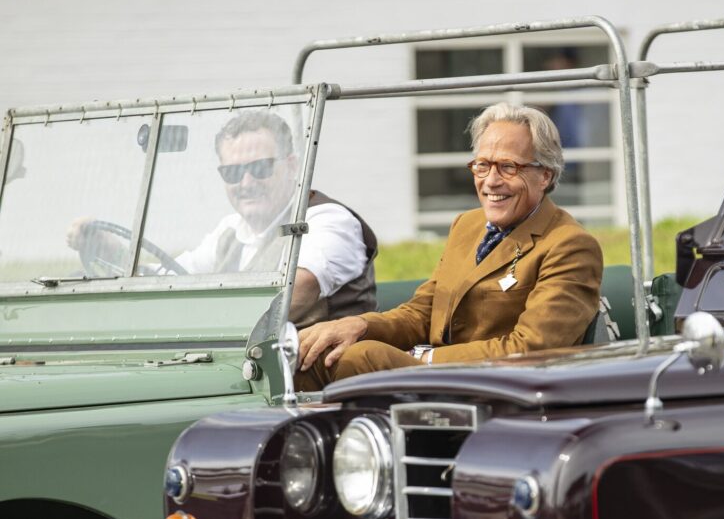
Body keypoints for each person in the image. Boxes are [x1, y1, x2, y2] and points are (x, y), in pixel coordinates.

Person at [296, 102, 603, 389]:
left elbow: (532, 349)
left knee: (359, 358)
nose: (491, 181)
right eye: (482, 165)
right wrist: (358, 325)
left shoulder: (569, 245)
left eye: (508, 167)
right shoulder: (467, 226)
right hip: (436, 383)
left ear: (544, 175)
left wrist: (422, 359)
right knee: (306, 352)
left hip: (495, 393)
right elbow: (422, 313)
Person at [67, 110, 377, 327]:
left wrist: (205, 321)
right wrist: (110, 250)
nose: (245, 183)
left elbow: (301, 288)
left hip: (314, 387)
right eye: (231, 172)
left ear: (292, 166)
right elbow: (173, 279)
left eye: (260, 168)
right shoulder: (231, 232)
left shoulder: (326, 221)